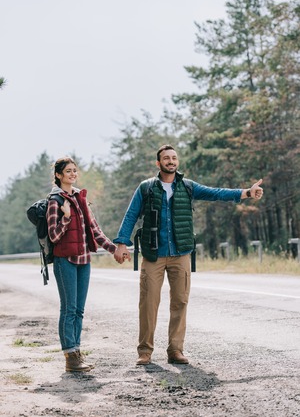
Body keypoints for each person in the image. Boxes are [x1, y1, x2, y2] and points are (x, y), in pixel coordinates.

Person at [113, 144, 263, 366]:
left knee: (180, 302)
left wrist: (246, 193)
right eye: (166, 158)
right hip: (153, 254)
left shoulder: (188, 187)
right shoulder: (146, 188)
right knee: (148, 303)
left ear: (177, 162)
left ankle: (175, 350)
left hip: (181, 253)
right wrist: (121, 243)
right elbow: (131, 215)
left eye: (174, 158)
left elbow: (216, 193)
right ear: (158, 163)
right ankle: (145, 351)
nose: (171, 161)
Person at [47, 156, 121, 373]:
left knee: (79, 310)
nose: (72, 174)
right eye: (67, 171)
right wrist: (67, 217)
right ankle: (70, 357)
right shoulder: (55, 201)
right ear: (59, 175)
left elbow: (95, 230)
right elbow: (53, 235)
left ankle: (77, 352)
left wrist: (112, 248)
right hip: (65, 261)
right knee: (68, 309)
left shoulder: (81, 197)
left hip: (84, 260)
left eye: (74, 170)